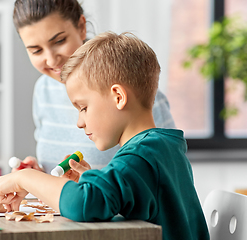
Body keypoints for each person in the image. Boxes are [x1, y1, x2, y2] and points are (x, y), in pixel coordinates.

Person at [0, 32, 209, 240]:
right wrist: (95, 181)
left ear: (118, 97)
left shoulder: (139, 157)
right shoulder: (163, 147)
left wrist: (24, 178)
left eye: (83, 107)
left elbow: (84, 204)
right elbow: (123, 196)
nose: (79, 122)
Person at [13, 0, 176, 173]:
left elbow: (169, 173)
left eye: (59, 41)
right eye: (36, 50)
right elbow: (60, 178)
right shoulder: (42, 91)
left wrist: (91, 189)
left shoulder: (129, 85)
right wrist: (39, 176)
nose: (52, 60)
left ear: (81, 26)